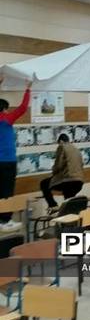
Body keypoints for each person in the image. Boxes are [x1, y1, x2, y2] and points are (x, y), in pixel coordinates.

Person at [0, 79, 31, 230]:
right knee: (7, 191)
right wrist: (28, 89)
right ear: (4, 109)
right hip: (8, 161)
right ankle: (5, 221)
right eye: (6, 109)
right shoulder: (6, 120)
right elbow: (23, 107)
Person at [40, 133, 84, 212]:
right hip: (79, 182)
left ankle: (53, 206)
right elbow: (81, 165)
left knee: (44, 183)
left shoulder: (62, 146)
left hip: (68, 181)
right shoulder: (76, 149)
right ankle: (72, 216)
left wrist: (53, 173)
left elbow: (58, 165)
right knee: (69, 204)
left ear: (61, 141)